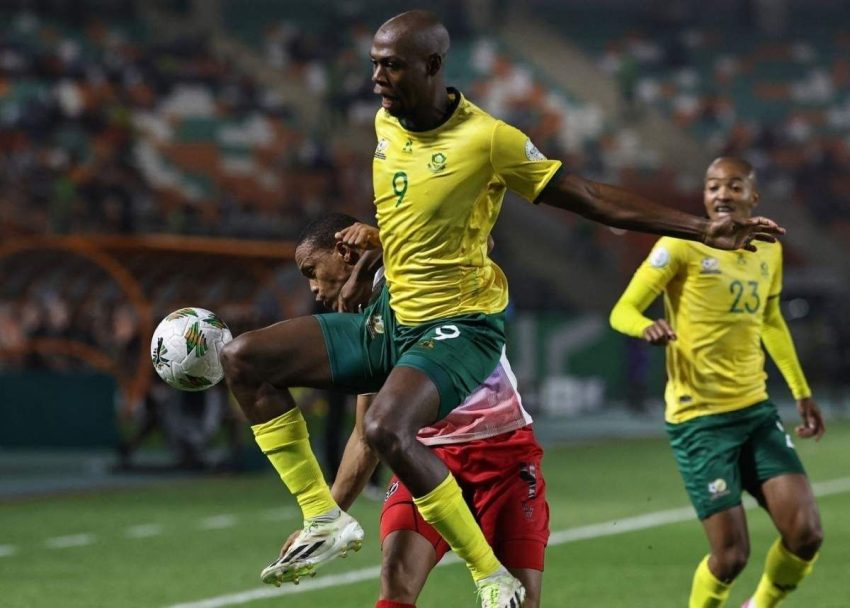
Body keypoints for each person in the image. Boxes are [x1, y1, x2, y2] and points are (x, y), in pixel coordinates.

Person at [220, 11, 784, 607]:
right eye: (374, 64)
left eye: (392, 65)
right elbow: (416, 222)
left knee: (385, 426)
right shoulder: (386, 125)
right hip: (395, 325)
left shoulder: (489, 140)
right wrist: (372, 256)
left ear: (433, 66)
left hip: (459, 328)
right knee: (243, 358)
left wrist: (702, 227)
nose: (378, 77)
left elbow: (588, 196)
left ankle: (490, 576)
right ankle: (323, 518)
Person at [282, 213, 548, 608]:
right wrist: (322, 521)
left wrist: (383, 240)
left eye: (312, 272)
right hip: (422, 459)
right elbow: (365, 435)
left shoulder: (421, 276)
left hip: (501, 452)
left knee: (518, 599)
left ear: (344, 253)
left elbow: (481, 243)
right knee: (396, 581)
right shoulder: (365, 324)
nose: (314, 288)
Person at [609, 157, 824, 608]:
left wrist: (801, 391)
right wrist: (645, 327)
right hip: (700, 420)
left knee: (806, 534)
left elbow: (770, 319)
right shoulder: (680, 244)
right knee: (730, 558)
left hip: (755, 412)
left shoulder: (768, 249)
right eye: (712, 186)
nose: (722, 194)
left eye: (734, 186)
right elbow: (622, 310)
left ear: (754, 196)